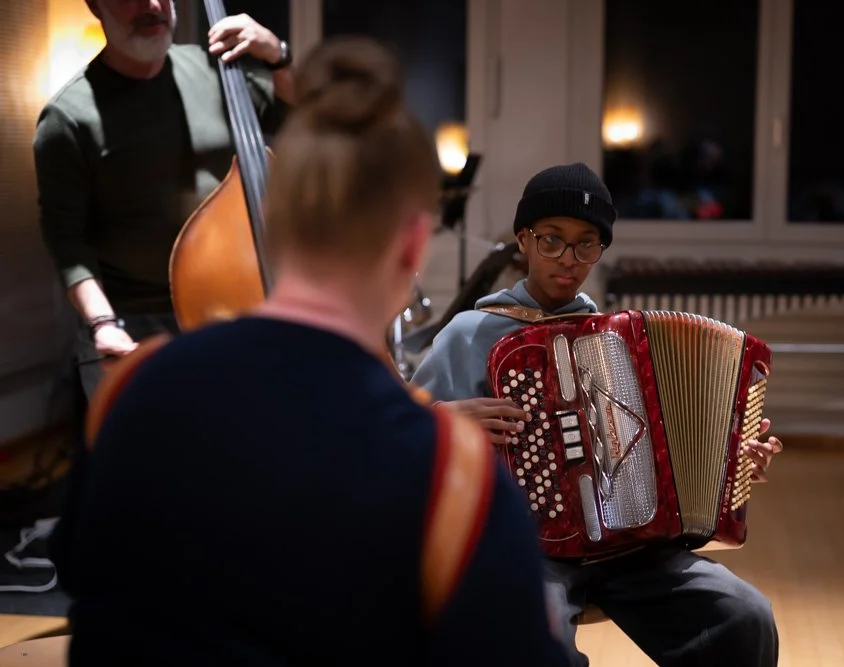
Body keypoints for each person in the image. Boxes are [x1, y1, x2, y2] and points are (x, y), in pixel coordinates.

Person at [48, 37, 570, 666]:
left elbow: (85, 581)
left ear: (275, 219)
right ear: (411, 246)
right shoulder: (452, 474)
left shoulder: (130, 389)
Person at [411, 162, 784, 666]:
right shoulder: (469, 334)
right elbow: (397, 444)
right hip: (526, 550)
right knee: (539, 645)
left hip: (632, 547)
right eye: (552, 240)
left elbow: (664, 454)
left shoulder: (616, 340)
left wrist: (734, 464)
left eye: (587, 243)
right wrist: (444, 419)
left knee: (745, 617)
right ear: (524, 240)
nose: (569, 258)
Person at [33, 0, 294, 399]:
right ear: (95, 6)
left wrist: (277, 53)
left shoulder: (213, 67)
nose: (151, 4)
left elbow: (295, 111)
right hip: (135, 324)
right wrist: (103, 322)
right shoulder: (67, 117)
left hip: (228, 309)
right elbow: (67, 242)